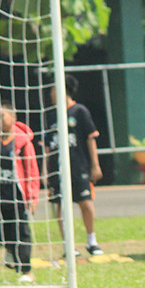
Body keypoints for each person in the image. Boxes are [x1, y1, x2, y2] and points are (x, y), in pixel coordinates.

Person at [45, 74, 104, 257]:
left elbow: (90, 139)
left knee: (85, 203)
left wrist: (95, 165)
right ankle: (68, 245)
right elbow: (47, 147)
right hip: (57, 169)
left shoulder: (79, 111)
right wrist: (45, 171)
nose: (51, 93)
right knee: (60, 207)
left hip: (78, 167)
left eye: (54, 89)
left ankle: (91, 241)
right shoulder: (51, 115)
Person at [0, 101, 40, 283]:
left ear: (13, 118)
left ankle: (27, 270)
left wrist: (32, 196)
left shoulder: (22, 142)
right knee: (0, 231)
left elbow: (32, 170)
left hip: (17, 195)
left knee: (21, 232)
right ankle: (9, 251)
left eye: (1, 116)